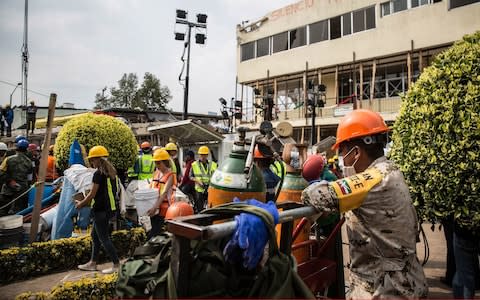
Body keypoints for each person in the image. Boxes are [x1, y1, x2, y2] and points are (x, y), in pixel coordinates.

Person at [301, 109, 427, 298]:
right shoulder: (391, 171)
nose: (342, 160)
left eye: (342, 152)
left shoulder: (372, 179)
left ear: (357, 152)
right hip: (403, 281)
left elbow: (318, 195)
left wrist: (310, 187)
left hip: (384, 288)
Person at [75, 145, 120, 274]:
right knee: (95, 236)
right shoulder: (112, 172)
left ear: (98, 159)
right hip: (109, 208)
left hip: (101, 210)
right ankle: (92, 263)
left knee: (104, 238)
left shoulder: (98, 174)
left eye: (93, 160)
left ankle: (116, 265)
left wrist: (81, 204)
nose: (91, 162)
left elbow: (92, 194)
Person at [147, 149, 175, 239]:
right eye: (156, 163)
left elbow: (164, 194)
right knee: (155, 232)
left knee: (159, 233)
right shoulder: (156, 173)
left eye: (159, 163)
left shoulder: (171, 175)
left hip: (164, 210)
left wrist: (154, 207)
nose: (157, 165)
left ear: (165, 162)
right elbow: (151, 189)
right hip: (154, 209)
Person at [0, 139, 33, 216]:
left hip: (8, 190)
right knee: (20, 213)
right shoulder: (29, 162)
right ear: (26, 149)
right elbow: (30, 178)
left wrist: (9, 181)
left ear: (16, 148)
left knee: (3, 210)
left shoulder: (8, 159)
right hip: (22, 191)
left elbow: (1, 172)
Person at [190, 146, 217, 213]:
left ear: (207, 155)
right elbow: (191, 176)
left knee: (210, 207)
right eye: (201, 154)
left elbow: (216, 176)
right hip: (199, 189)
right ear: (199, 155)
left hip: (209, 189)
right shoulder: (194, 165)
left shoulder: (213, 164)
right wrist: (198, 181)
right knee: (200, 208)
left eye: (204, 155)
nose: (203, 156)